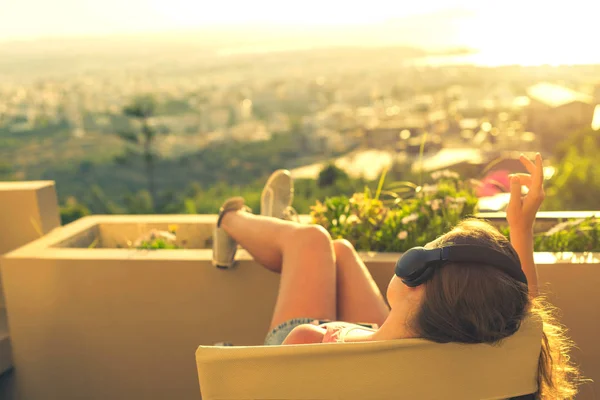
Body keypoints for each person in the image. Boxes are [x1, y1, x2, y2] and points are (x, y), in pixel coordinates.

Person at [212, 153, 580, 399]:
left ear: (414, 278)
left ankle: (231, 220)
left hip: (339, 343)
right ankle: (277, 230)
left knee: (315, 241)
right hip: (383, 347)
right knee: (338, 251)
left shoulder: (307, 341)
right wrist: (522, 228)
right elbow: (523, 307)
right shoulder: (475, 346)